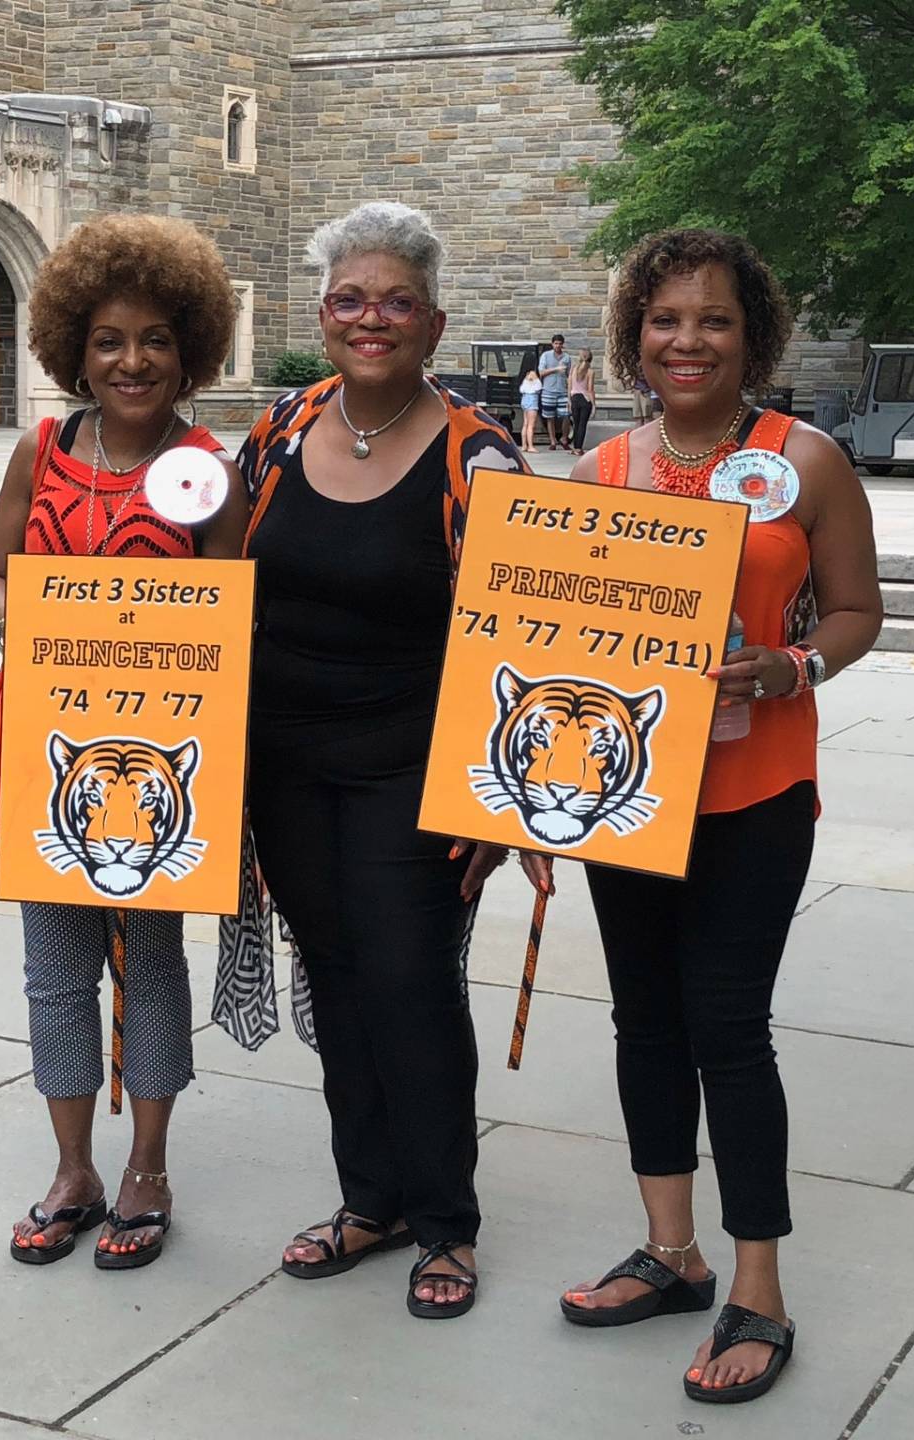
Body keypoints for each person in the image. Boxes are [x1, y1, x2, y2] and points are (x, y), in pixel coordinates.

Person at [559, 228, 882, 1403]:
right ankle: (671, 1251)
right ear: (633, 336)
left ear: (755, 336)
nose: (686, 341)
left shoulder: (806, 461)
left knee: (728, 1030)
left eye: (713, 321)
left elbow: (856, 610)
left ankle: (759, 1287)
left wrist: (792, 667)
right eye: (664, 320)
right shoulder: (601, 474)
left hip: (755, 794)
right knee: (644, 1023)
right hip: (627, 797)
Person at [231, 201, 550, 1320]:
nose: (373, 318)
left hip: (413, 768)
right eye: (351, 299)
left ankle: (445, 1222)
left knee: (411, 985)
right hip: (287, 762)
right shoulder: (279, 428)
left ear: (434, 322)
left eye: (397, 301)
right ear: (322, 316)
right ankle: (370, 1200)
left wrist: (500, 807)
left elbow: (524, 635)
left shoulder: (480, 454)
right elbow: (220, 589)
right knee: (338, 978)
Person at [0, 214, 250, 1272]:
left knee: (151, 965)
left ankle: (149, 1167)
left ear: (190, 350)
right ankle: (72, 1168)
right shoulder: (41, 451)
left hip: (163, 765)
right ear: (72, 352)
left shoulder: (204, 470)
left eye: (155, 340)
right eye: (107, 341)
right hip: (52, 753)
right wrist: (23, 618)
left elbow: (237, 608)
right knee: (53, 970)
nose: (131, 361)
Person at [538, 333, 571, 449]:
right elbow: (541, 372)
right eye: (556, 343)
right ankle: (553, 441)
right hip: (548, 390)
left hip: (562, 390)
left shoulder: (567, 357)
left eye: (560, 344)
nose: (557, 346)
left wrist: (570, 390)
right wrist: (556, 369)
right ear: (552, 344)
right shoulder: (545, 356)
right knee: (549, 416)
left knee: (566, 415)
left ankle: (564, 438)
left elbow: (569, 375)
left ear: (563, 345)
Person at [567, 347, 596, 455]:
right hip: (585, 399)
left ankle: (575, 447)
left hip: (574, 398)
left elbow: (569, 385)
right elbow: (590, 389)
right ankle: (579, 448)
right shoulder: (590, 372)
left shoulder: (573, 369)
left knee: (576, 424)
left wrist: (569, 400)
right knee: (582, 424)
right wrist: (594, 404)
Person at [518, 367, 542, 452]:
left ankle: (524, 445)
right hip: (532, 400)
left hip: (524, 400)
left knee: (525, 424)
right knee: (531, 425)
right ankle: (530, 446)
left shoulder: (525, 381)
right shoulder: (537, 382)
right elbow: (539, 389)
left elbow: (521, 390)